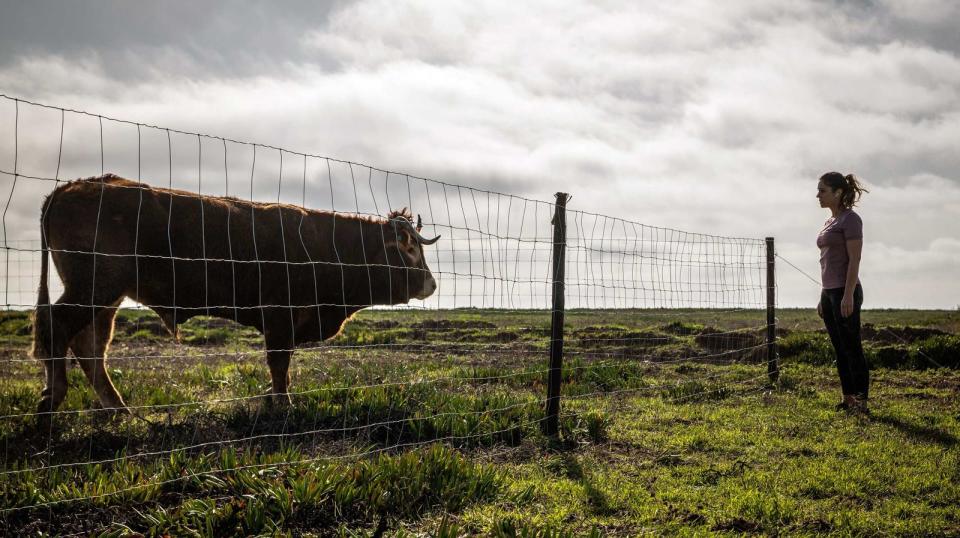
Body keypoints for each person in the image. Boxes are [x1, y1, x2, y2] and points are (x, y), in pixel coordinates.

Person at [816, 172, 870, 413]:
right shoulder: (830, 221)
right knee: (839, 348)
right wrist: (823, 295)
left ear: (838, 193)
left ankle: (861, 401)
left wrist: (848, 295)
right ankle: (848, 398)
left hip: (844, 291)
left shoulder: (851, 220)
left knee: (852, 347)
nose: (818, 195)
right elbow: (827, 261)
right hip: (829, 292)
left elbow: (854, 260)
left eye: (823, 190)